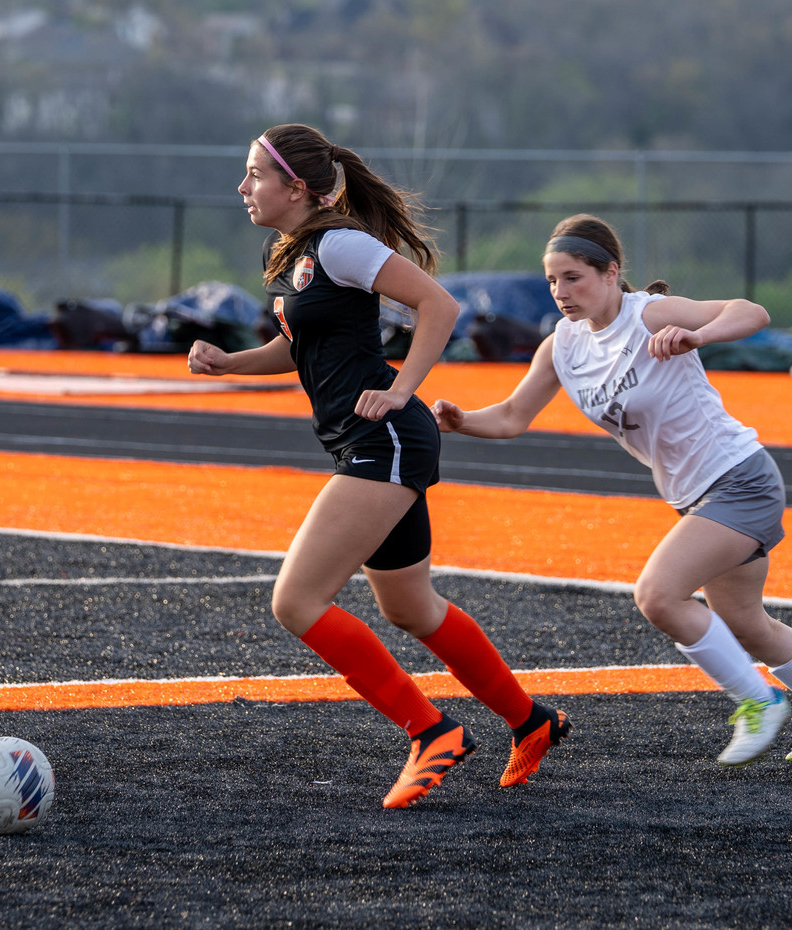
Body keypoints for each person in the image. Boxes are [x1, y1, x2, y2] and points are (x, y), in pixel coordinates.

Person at [188, 124, 569, 807]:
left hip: (384, 439)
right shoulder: (299, 256)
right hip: (368, 442)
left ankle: (430, 733)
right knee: (411, 607)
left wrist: (400, 388)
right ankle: (531, 720)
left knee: (296, 602)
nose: (242, 187)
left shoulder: (341, 243)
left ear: (295, 186)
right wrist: (228, 363)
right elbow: (293, 348)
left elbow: (438, 304)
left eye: (253, 175)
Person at [433, 213, 792, 767]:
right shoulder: (561, 347)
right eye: (552, 280)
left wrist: (699, 334)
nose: (560, 291)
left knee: (658, 595)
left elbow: (752, 312)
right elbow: (509, 417)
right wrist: (460, 421)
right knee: (748, 626)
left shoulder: (647, 313)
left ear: (610, 273)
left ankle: (757, 701)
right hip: (696, 497)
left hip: (740, 478)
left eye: (573, 277)